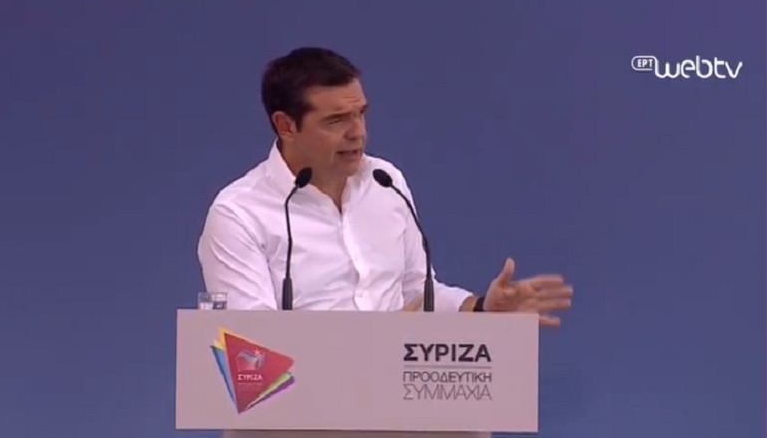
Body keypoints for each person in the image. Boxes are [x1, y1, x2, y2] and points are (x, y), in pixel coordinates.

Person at [198, 46, 573, 322]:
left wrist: (482, 309)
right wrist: (377, 344)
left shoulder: (385, 181)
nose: (357, 133)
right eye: (336, 121)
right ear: (285, 126)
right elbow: (251, 347)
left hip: (397, 392)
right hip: (298, 403)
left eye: (361, 114)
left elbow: (417, 294)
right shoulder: (239, 214)